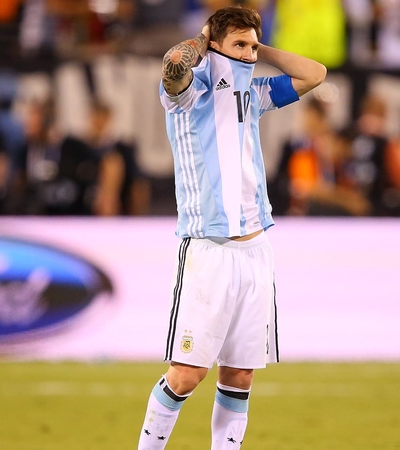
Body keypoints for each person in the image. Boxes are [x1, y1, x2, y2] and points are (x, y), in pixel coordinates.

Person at [137, 6, 325, 450]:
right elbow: (173, 65)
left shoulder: (254, 94)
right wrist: (206, 40)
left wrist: (259, 48)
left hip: (256, 249)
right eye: (239, 45)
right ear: (215, 44)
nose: (248, 54)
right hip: (208, 249)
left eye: (252, 46)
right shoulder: (186, 94)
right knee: (187, 374)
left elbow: (315, 73)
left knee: (240, 374)